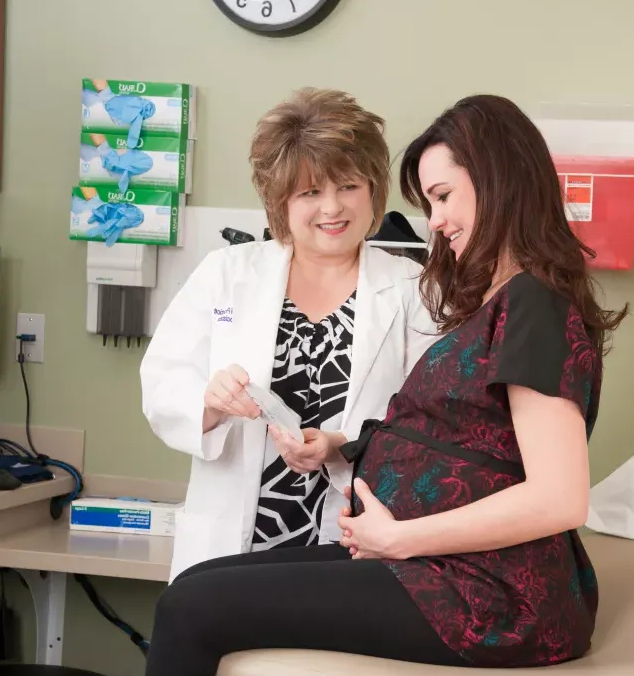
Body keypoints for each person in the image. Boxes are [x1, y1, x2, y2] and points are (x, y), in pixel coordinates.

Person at [137, 94, 629, 676]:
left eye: (444, 197)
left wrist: (400, 538)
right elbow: (449, 433)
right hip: (416, 554)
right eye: (430, 203)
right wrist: (337, 446)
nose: (435, 222)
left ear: (498, 179)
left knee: (189, 607)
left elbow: (558, 497)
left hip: (465, 578)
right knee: (192, 589)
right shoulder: (499, 301)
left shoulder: (499, 299)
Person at [139, 87, 438, 580]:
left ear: (372, 190)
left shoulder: (414, 288)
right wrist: (211, 402)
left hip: (351, 540)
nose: (332, 208)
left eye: (348, 186)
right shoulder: (227, 273)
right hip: (232, 542)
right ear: (280, 200)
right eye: (309, 192)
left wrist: (340, 443)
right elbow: (163, 383)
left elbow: (430, 420)